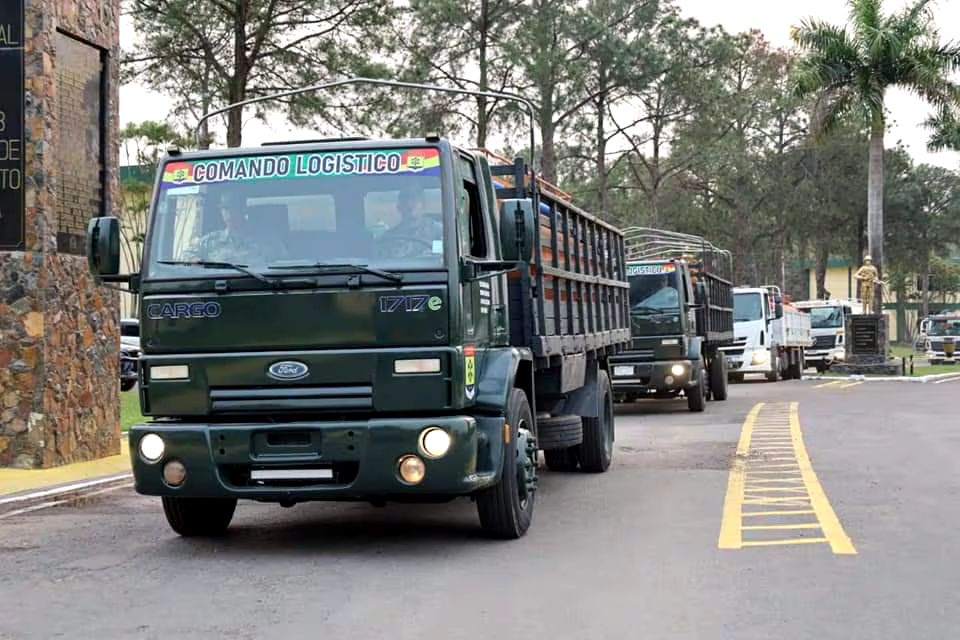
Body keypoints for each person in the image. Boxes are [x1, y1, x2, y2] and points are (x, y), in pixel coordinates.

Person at [184, 193, 276, 265]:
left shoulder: (265, 240)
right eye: (225, 209)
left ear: (243, 210)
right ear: (221, 212)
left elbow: (282, 265)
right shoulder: (211, 240)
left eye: (234, 208)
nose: (229, 214)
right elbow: (187, 255)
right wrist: (199, 262)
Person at [378, 185, 442, 258]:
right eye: (405, 199)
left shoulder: (438, 232)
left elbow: (442, 257)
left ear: (423, 204)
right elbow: (382, 264)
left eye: (414, 198)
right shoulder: (388, 238)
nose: (409, 203)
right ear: (399, 207)